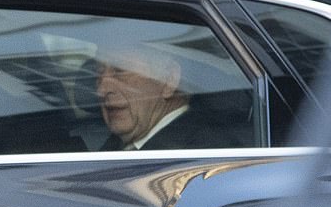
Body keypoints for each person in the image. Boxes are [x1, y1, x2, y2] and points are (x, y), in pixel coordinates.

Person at [95, 45, 246, 151]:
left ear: (169, 79)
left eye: (120, 71)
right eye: (98, 73)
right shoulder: (116, 145)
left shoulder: (202, 154)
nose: (102, 90)